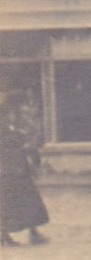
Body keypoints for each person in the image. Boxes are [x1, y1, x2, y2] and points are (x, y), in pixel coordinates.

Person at [0, 103, 49, 247]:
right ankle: (6, 236)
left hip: (16, 171)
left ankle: (32, 232)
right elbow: (28, 147)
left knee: (25, 201)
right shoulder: (10, 131)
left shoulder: (13, 130)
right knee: (12, 204)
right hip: (11, 173)